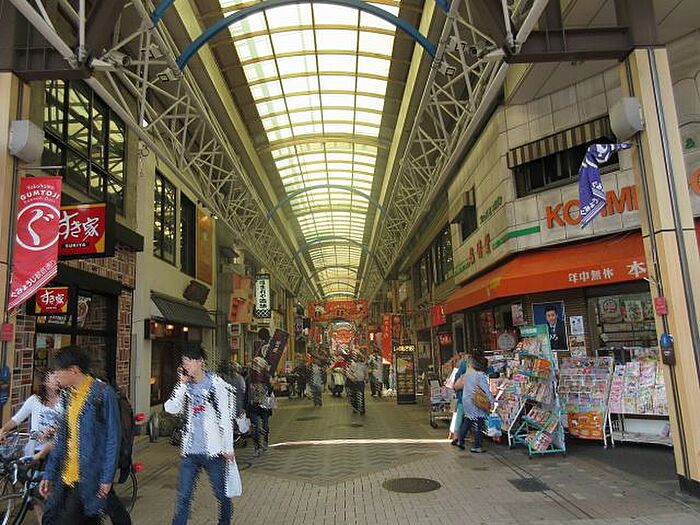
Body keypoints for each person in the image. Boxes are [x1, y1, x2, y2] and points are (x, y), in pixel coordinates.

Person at [39, 345, 130, 525]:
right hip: (64, 476)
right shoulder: (68, 396)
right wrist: (48, 473)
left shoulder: (103, 394)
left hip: (88, 476)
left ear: (73, 370)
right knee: (52, 517)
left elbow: (113, 439)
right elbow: (62, 439)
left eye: (58, 371)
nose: (55, 375)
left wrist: (107, 478)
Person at [165, 343, 236, 525]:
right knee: (183, 496)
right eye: (183, 362)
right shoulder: (185, 386)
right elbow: (171, 408)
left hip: (213, 452)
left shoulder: (216, 385)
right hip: (190, 453)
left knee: (221, 493)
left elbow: (225, 418)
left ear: (200, 362)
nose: (185, 366)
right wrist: (181, 385)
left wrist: (228, 448)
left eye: (188, 361)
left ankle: (225, 521)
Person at [0, 369, 62, 523]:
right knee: (33, 494)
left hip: (54, 451)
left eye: (57, 378)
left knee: (47, 491)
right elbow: (17, 419)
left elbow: (67, 425)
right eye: (53, 378)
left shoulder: (64, 401)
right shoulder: (35, 400)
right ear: (45, 382)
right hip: (34, 450)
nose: (56, 380)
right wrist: (3, 430)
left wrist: (53, 429)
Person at [456, 356, 494, 453]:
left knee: (468, 420)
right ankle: (477, 446)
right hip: (477, 401)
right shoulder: (480, 375)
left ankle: (460, 441)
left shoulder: (467, 374)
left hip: (467, 400)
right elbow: (486, 390)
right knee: (479, 423)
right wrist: (491, 401)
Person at [246, 356, 273, 457]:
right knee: (255, 427)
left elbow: (270, 390)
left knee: (265, 425)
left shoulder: (267, 377)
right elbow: (246, 393)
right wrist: (245, 407)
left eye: (257, 364)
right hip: (253, 405)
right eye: (254, 365)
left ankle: (265, 439)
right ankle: (257, 447)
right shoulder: (249, 378)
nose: (255, 367)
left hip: (264, 404)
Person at [450, 354, 468, 446]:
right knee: (471, 418)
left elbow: (457, 376)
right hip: (476, 395)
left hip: (463, 395)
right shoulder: (483, 363)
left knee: (459, 415)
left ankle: (456, 436)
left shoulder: (465, 363)